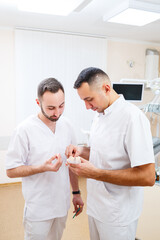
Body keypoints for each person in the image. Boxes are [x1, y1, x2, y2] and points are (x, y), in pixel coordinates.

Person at [65, 67, 155, 240]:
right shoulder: (99, 116)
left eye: (89, 99)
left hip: (118, 214)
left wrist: (96, 174)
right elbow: (103, 153)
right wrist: (82, 151)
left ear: (106, 88)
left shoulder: (132, 118)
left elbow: (148, 176)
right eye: (83, 100)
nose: (86, 106)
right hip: (97, 208)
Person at [5, 78, 83, 240]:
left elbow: (72, 163)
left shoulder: (67, 126)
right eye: (51, 108)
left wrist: (76, 192)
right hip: (38, 209)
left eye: (61, 106)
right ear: (38, 102)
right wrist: (42, 167)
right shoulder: (24, 130)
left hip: (61, 206)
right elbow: (11, 171)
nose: (57, 113)